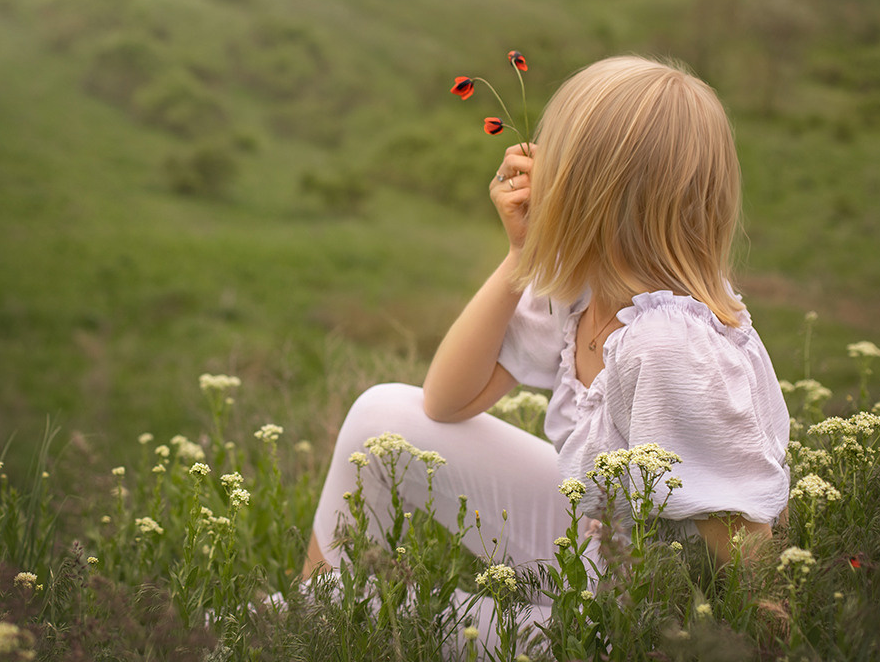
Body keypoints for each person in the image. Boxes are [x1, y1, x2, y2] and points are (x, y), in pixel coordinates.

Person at [301, 55, 791, 645]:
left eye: (555, 158)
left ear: (591, 193)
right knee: (383, 414)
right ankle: (310, 612)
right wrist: (520, 256)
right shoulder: (585, 288)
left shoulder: (668, 345)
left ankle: (299, 624)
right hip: (590, 545)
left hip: (627, 620)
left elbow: (742, 541)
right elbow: (446, 402)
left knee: (404, 616)